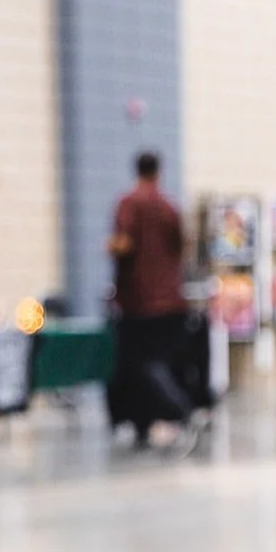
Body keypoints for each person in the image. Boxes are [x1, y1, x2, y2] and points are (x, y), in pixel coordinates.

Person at [106, 151, 198, 446]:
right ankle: (148, 424)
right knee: (162, 362)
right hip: (172, 302)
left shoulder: (128, 203)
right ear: (158, 172)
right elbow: (183, 246)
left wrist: (110, 247)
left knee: (140, 365)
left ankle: (179, 410)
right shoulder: (169, 207)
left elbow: (124, 244)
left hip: (140, 302)